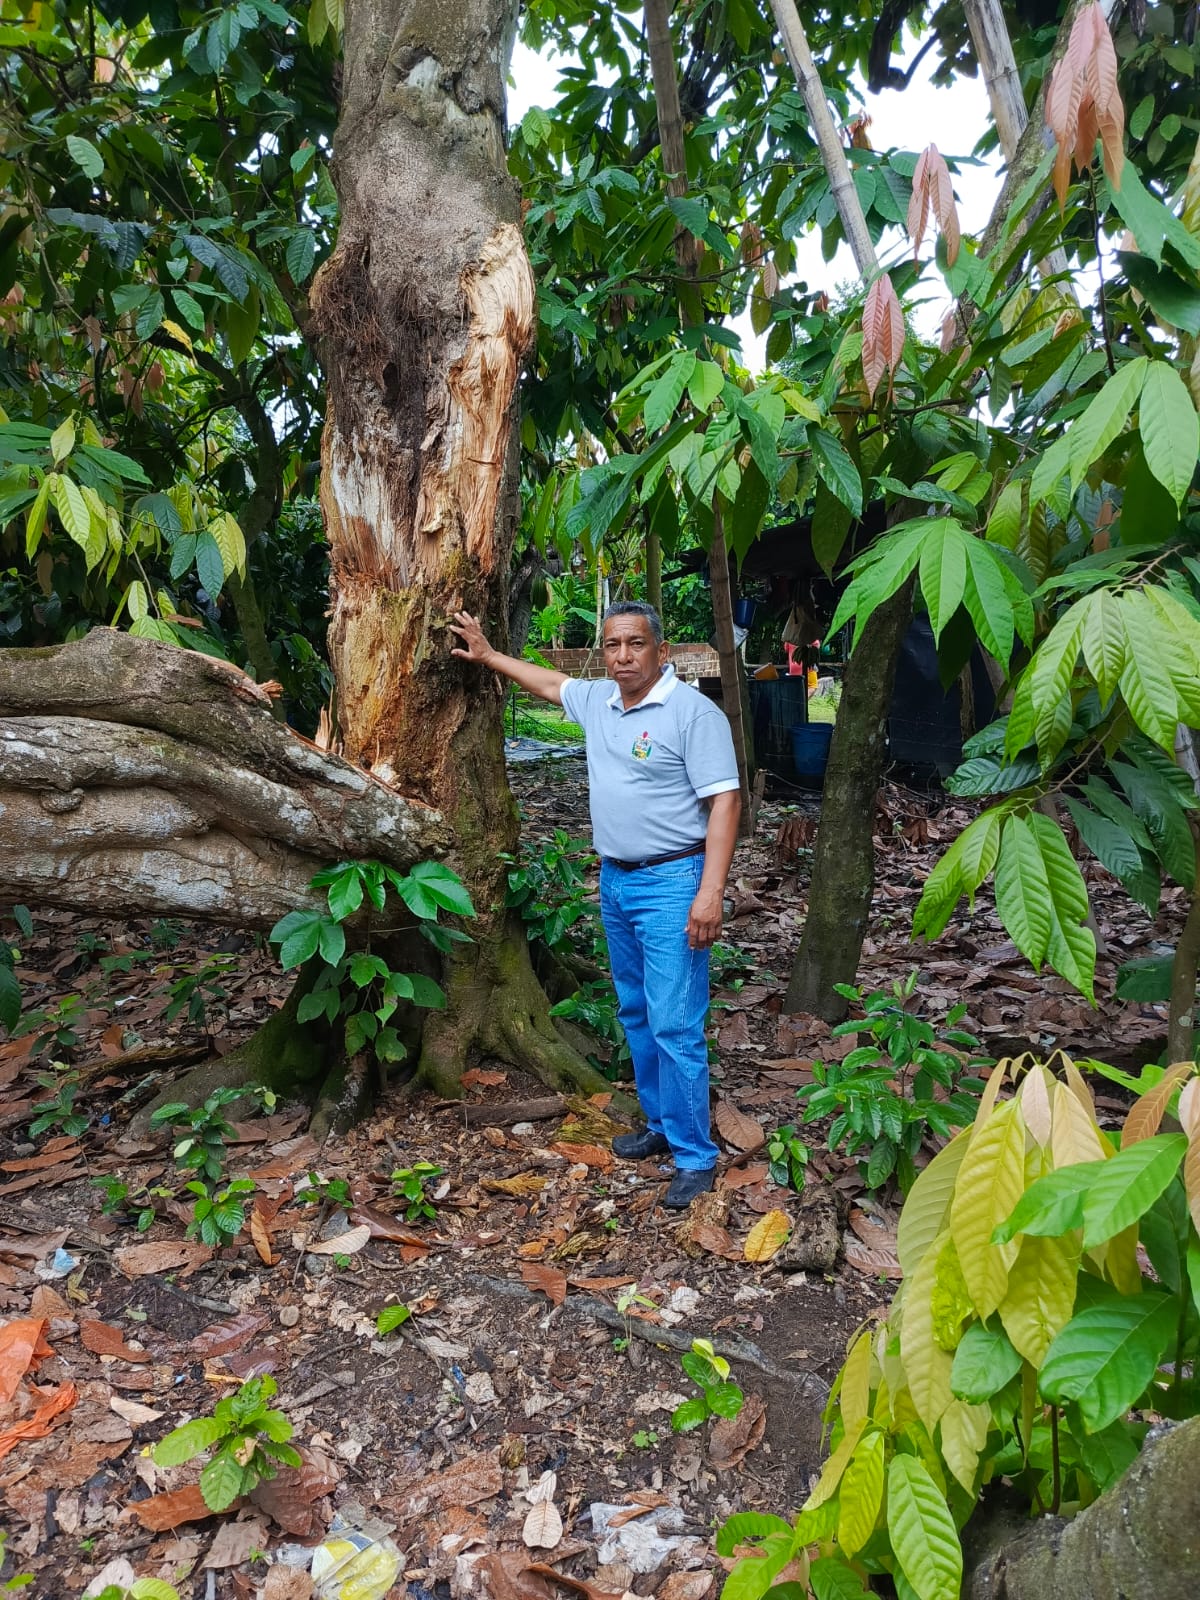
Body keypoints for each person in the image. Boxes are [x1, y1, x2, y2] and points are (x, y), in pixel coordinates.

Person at [450, 600, 741, 1208]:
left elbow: (725, 802)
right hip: (615, 881)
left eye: (636, 643)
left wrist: (710, 891)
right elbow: (551, 684)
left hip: (674, 881)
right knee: (636, 1011)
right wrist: (489, 654)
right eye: (612, 645)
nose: (623, 656)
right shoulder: (601, 702)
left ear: (661, 650)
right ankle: (660, 1124)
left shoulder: (692, 713)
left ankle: (695, 1156)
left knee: (674, 1021)